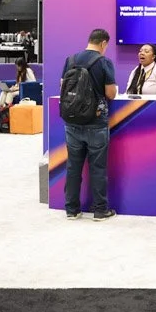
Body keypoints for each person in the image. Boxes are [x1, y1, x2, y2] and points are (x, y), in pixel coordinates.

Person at [61, 28, 118, 221]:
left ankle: (72, 209)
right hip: (96, 122)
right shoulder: (103, 62)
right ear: (103, 43)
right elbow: (110, 94)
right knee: (98, 167)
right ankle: (100, 210)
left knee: (73, 166)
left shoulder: (71, 60)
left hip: (72, 121)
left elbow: (63, 87)